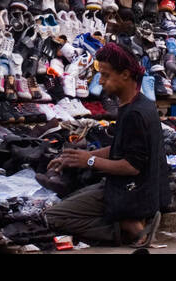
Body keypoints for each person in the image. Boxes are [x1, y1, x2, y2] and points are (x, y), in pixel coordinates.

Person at [43, 43, 168, 248]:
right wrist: (76, 158)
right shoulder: (138, 104)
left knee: (53, 217)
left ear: (125, 75)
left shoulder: (135, 114)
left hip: (132, 192)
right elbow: (122, 148)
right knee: (69, 198)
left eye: (106, 75)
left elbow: (131, 166)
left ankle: (129, 228)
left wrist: (90, 161)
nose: (100, 81)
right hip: (137, 188)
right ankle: (128, 222)